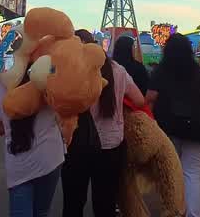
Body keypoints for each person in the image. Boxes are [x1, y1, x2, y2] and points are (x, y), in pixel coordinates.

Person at [61, 30, 145, 217]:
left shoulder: (73, 70)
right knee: (105, 203)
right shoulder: (118, 70)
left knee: (73, 203)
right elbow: (139, 100)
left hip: (77, 144)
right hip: (112, 144)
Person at [0, 55, 67, 217]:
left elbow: (0, 127)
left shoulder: (1, 86)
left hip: (19, 164)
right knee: (42, 212)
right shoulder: (51, 84)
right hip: (50, 159)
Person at [147, 33, 200, 217]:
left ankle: (174, 210)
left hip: (168, 127)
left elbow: (150, 100)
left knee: (171, 172)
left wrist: (150, 123)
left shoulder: (160, 72)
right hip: (198, 127)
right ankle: (193, 213)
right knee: (193, 172)